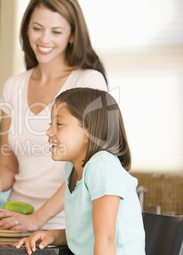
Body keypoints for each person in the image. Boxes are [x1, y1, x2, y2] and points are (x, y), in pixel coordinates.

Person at [0, 0, 108, 231]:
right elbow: (8, 164)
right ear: (26, 28)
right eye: (37, 28)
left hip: (66, 225)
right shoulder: (13, 86)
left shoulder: (89, 82)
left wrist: (38, 219)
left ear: (71, 35)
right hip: (16, 221)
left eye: (56, 31)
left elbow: (87, 167)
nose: (44, 39)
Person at [15, 88, 145, 254]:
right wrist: (53, 236)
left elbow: (105, 241)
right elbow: (85, 235)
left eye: (58, 124)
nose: (49, 132)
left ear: (89, 130)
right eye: (50, 124)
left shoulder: (102, 168)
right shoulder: (73, 167)